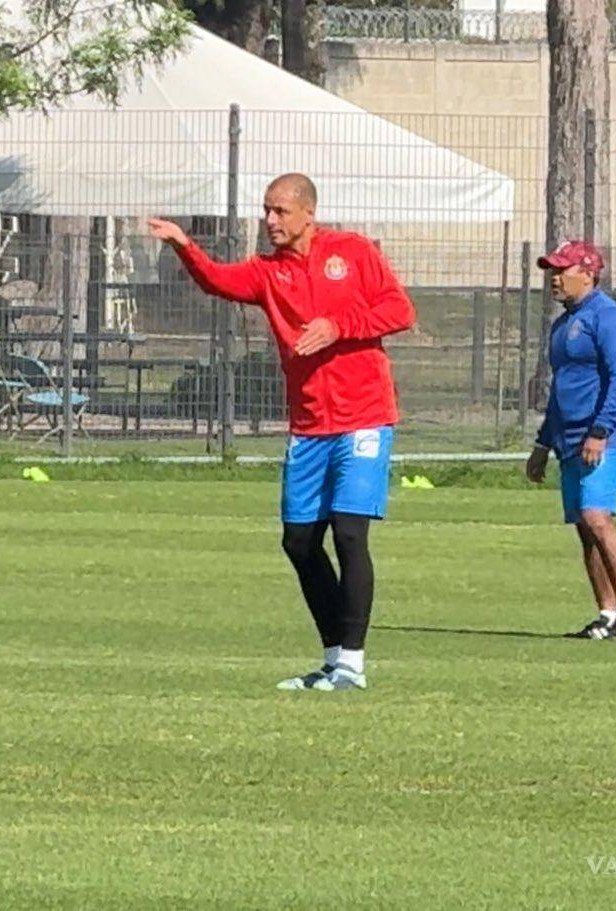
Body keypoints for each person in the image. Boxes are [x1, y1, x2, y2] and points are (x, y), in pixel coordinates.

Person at [149, 173, 415, 690]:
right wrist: (185, 245)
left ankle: (352, 666)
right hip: (310, 423)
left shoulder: (353, 252)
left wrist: (340, 326)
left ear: (307, 214)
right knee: (299, 542)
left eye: (279, 211)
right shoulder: (268, 273)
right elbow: (217, 281)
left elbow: (400, 310)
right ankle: (334, 658)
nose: (270, 221)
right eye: (266, 211)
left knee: (350, 532)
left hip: (363, 416)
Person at [525, 241, 616, 640]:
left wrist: (599, 432)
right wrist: (543, 445)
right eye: (551, 271)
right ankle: (606, 613)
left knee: (598, 517)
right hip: (568, 441)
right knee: (583, 526)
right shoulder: (562, 326)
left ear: (588, 273)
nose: (554, 279)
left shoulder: (608, 318)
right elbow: (560, 391)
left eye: (562, 270)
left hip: (602, 440)